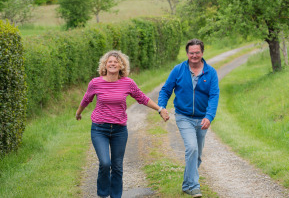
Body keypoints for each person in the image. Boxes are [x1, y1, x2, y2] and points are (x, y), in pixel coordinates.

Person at [75, 50, 169, 198]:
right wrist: (78, 113)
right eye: (110, 61)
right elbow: (87, 99)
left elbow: (142, 98)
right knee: (105, 163)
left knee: (117, 166)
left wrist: (159, 109)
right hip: (99, 129)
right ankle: (103, 194)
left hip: (119, 130)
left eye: (116, 62)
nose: (112, 64)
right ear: (105, 65)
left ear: (121, 66)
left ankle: (116, 196)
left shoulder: (127, 83)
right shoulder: (96, 82)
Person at [158, 39, 219, 197]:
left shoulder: (210, 72)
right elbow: (165, 90)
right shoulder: (178, 70)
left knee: (197, 154)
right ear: (187, 54)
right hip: (183, 116)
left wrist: (209, 116)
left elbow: (214, 96)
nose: (194, 55)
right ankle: (194, 186)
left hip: (202, 119)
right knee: (191, 148)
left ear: (202, 53)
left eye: (197, 52)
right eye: (191, 53)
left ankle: (186, 184)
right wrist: (162, 107)